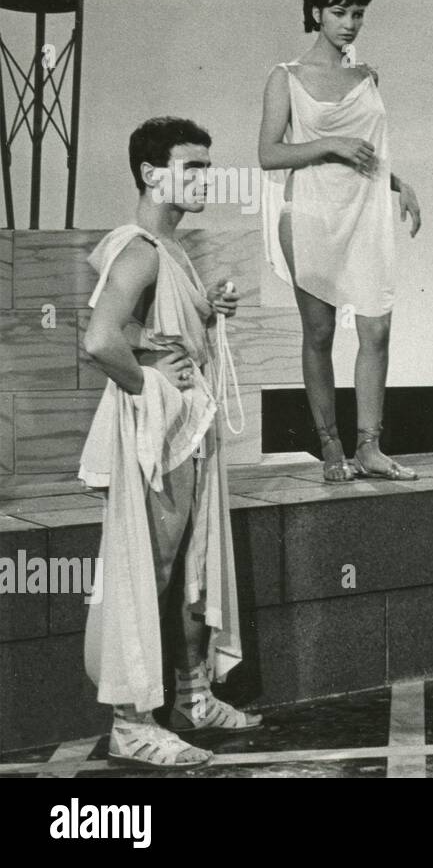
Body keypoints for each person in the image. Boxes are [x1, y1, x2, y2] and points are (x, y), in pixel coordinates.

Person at [80, 117, 262, 769]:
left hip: (188, 426)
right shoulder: (140, 250)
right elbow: (98, 338)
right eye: (193, 167)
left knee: (193, 563)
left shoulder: (171, 249)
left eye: (208, 166)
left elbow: (141, 325)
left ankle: (193, 696)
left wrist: (206, 310)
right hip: (158, 430)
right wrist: (148, 381)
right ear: (151, 174)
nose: (206, 178)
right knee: (149, 570)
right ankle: (130, 725)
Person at [259, 0, 422, 482]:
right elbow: (269, 154)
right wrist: (329, 144)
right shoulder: (286, 77)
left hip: (365, 214)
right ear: (316, 13)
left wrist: (400, 183)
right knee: (321, 332)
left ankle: (369, 446)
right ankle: (332, 448)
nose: (349, 23)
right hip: (310, 214)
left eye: (357, 14)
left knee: (377, 327)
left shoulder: (368, 77)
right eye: (339, 12)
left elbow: (368, 150)